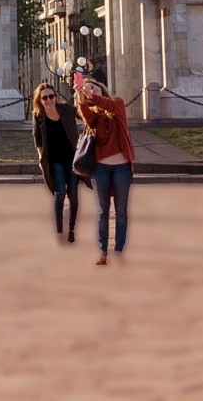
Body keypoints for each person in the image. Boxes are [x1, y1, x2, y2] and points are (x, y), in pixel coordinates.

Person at [72, 73, 135, 265]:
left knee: (121, 210)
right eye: (88, 89)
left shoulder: (117, 104)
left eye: (95, 88)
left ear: (102, 90)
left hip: (122, 167)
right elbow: (87, 115)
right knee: (102, 211)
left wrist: (92, 97)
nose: (91, 91)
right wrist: (81, 99)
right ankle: (103, 252)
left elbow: (110, 106)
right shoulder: (94, 119)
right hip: (101, 168)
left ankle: (118, 250)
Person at [33, 81, 82, 244]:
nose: (48, 100)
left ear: (55, 96)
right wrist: (41, 158)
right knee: (59, 192)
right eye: (44, 98)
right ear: (40, 100)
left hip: (71, 158)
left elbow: (83, 114)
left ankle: (72, 230)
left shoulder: (66, 110)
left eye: (51, 96)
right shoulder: (38, 116)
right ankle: (59, 230)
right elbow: (37, 138)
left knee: (73, 195)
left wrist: (81, 93)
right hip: (54, 160)